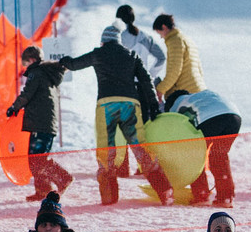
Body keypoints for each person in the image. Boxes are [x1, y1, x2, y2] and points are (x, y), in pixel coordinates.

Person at [60, 26, 172, 205]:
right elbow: (146, 81)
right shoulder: (131, 55)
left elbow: (74, 64)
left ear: (104, 41)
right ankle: (165, 191)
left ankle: (109, 197)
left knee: (107, 152)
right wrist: (153, 105)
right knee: (141, 148)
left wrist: (63, 61)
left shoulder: (98, 53)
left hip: (107, 106)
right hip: (130, 105)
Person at [7, 45, 73, 201]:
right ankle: (43, 191)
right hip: (46, 122)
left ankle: (63, 178)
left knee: (37, 160)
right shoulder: (47, 74)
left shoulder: (36, 73)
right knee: (36, 159)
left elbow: (27, 94)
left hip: (40, 122)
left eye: (26, 63)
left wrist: (14, 107)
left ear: (31, 60)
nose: (26, 67)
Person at [167, 89, 242, 207]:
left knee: (194, 156)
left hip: (211, 118)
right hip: (234, 117)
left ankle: (201, 195)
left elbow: (172, 124)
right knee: (219, 156)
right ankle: (225, 198)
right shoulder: (199, 97)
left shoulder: (177, 103)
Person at [152, 14, 207, 108]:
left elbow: (174, 71)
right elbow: (199, 69)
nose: (161, 37)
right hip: (198, 89)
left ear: (164, 27)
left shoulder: (175, 41)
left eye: (159, 33)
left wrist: (160, 90)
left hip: (186, 94)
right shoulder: (186, 39)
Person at [115, 4, 166, 80]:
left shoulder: (117, 37)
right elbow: (161, 58)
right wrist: (149, 75)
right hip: (141, 83)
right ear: (133, 18)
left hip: (122, 82)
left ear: (118, 19)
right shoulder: (146, 38)